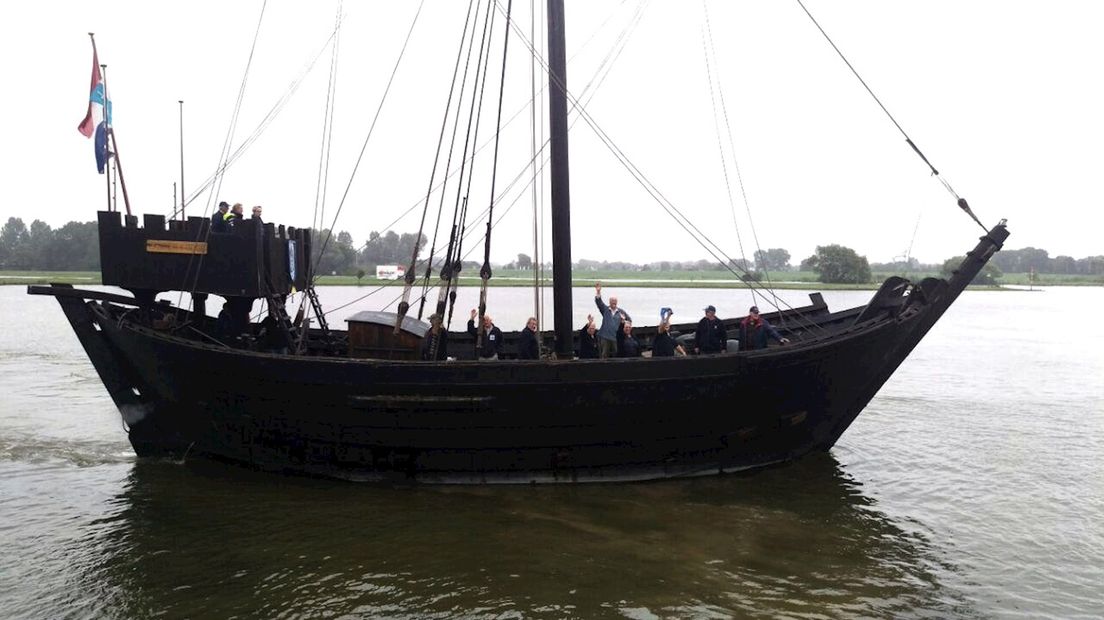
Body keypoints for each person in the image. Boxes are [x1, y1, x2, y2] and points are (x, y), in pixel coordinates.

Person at [594, 282, 631, 358]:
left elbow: (629, 320)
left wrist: (624, 322)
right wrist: (598, 291)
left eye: (615, 301)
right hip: (605, 337)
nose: (614, 303)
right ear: (609, 302)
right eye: (612, 301)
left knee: (617, 354)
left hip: (616, 338)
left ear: (617, 302)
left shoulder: (621, 312)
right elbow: (599, 302)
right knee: (604, 355)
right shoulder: (605, 310)